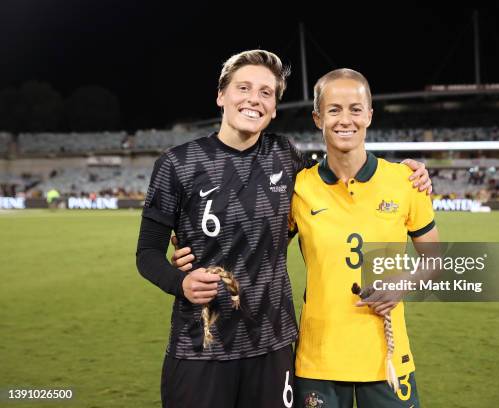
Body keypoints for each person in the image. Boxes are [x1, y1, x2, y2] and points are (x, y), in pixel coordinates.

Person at [138, 50, 432, 408]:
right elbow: (148, 253)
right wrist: (179, 277)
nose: (253, 99)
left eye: (265, 92)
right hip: (204, 342)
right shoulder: (178, 163)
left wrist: (410, 174)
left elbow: (340, 174)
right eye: (243, 87)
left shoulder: (285, 157)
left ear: (274, 108)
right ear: (221, 95)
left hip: (273, 346)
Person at [289, 69, 439, 408]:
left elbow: (435, 259)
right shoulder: (299, 188)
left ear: (369, 115)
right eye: (334, 109)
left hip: (386, 358)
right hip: (319, 359)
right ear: (318, 118)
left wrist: (403, 283)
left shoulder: (406, 182)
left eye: (355, 109)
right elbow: (256, 250)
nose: (346, 120)